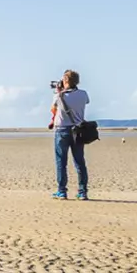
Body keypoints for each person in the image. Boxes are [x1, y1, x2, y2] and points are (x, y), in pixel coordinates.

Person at [50, 70, 89, 199]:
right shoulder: (83, 94)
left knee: (61, 162)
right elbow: (86, 102)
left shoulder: (59, 96)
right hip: (78, 130)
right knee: (80, 162)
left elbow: (53, 108)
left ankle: (62, 191)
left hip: (62, 130)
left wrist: (59, 91)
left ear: (66, 80)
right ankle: (83, 191)